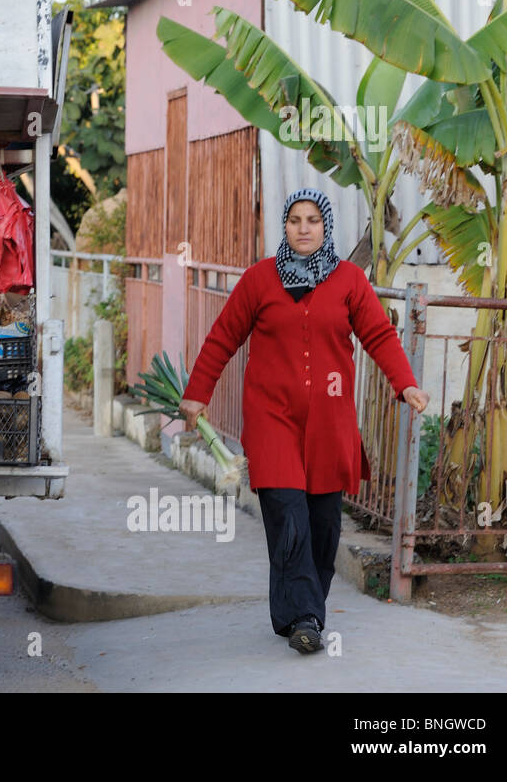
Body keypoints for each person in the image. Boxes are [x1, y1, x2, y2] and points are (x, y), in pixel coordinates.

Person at [179, 187, 429, 654]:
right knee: (287, 515)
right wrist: (197, 394)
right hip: (271, 417)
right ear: (285, 226)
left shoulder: (350, 280)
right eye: (295, 220)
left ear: (325, 226)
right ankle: (307, 618)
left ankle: (297, 611)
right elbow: (222, 338)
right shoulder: (259, 280)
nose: (304, 228)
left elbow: (378, 334)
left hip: (330, 422)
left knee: (323, 524)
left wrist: (406, 384)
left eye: (313, 220)